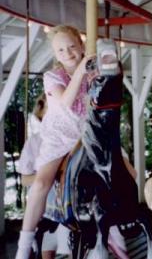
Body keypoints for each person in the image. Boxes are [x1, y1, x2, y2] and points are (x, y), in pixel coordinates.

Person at [15, 25, 94, 259]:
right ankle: (24, 245)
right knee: (41, 183)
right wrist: (81, 70)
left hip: (86, 135)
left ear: (81, 45)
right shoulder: (52, 77)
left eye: (72, 46)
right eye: (60, 50)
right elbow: (66, 103)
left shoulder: (93, 73)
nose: (68, 52)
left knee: (127, 171)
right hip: (60, 136)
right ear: (55, 54)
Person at [18, 94, 71, 259]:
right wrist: (47, 175)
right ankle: (25, 245)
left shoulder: (70, 140)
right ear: (42, 113)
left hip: (68, 210)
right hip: (45, 213)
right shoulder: (34, 142)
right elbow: (25, 179)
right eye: (49, 109)